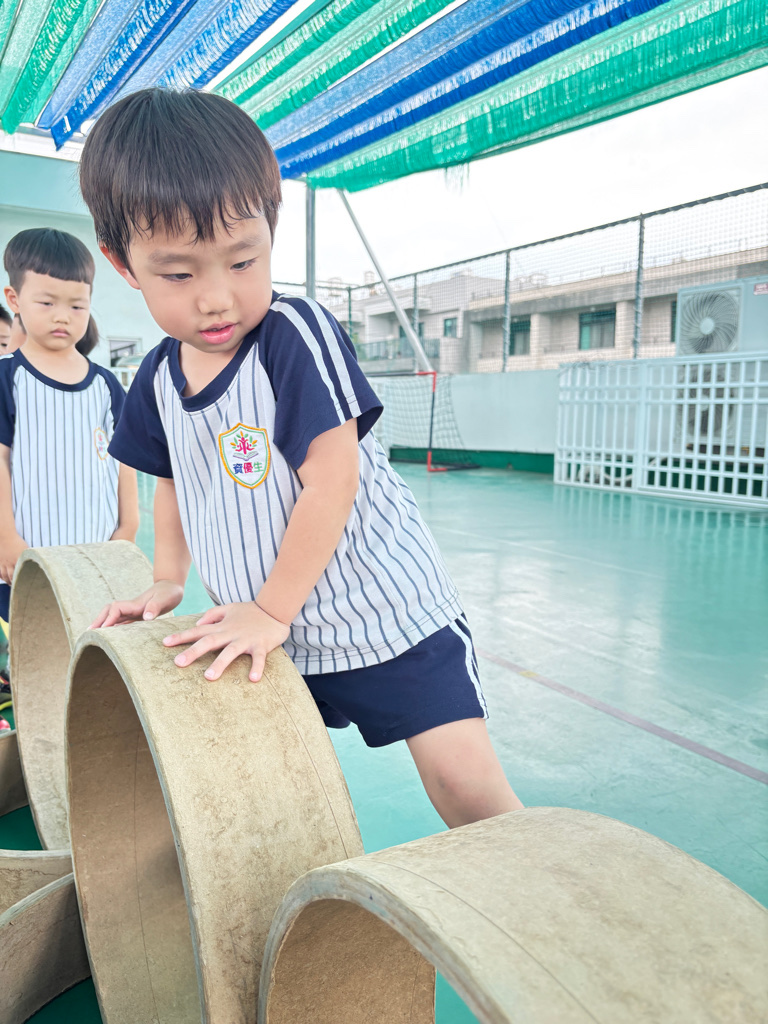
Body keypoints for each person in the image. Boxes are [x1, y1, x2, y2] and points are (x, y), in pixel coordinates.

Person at [84, 89, 522, 828]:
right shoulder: (155, 379)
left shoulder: (293, 335)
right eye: (179, 274)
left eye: (242, 261)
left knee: (466, 787)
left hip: (383, 614)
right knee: (248, 800)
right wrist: (166, 579)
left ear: (270, 229)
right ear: (122, 264)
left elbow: (332, 481)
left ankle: (535, 886)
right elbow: (174, 485)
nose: (217, 298)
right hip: (272, 637)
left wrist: (269, 610)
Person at [0, 228, 139, 640]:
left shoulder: (107, 387)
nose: (62, 316)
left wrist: (128, 528)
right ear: (14, 300)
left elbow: (124, 461)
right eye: (47, 303)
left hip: (96, 563)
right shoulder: (7, 378)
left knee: (93, 658)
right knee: (36, 658)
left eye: (77, 305)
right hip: (27, 560)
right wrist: (6, 537)